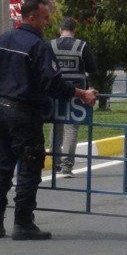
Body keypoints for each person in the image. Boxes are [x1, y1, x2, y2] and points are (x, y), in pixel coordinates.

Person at [0, 0, 98, 240]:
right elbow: (53, 83)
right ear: (31, 18)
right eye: (45, 17)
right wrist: (82, 93)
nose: (48, 23)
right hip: (25, 114)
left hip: (1, 112)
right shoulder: (38, 46)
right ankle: (23, 223)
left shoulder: (3, 39)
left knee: (2, 168)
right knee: (29, 167)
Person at [50, 17, 98, 178]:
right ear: (74, 30)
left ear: (60, 29)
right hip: (77, 93)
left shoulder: (51, 45)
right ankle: (66, 167)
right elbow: (92, 67)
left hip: (55, 91)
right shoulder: (81, 46)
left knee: (56, 126)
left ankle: (55, 163)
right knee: (71, 128)